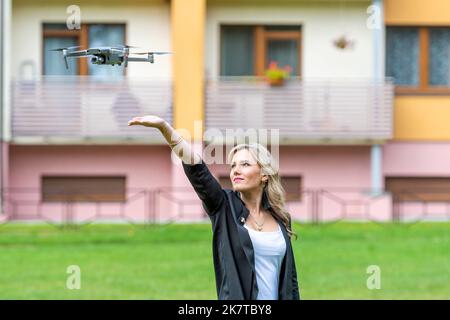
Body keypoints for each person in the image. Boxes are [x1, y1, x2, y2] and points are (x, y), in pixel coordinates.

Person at [128, 115, 300, 300]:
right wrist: (165, 128)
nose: (236, 170)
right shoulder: (224, 206)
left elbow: (291, 280)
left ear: (264, 175)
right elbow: (197, 169)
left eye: (245, 164)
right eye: (233, 165)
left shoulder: (281, 217)